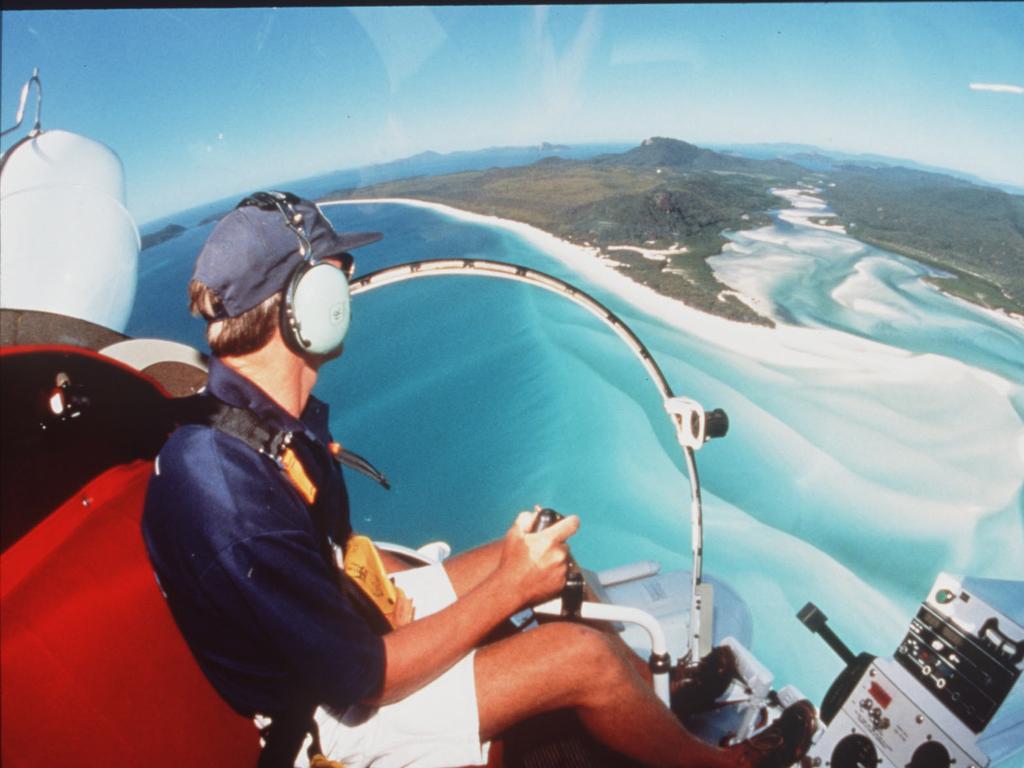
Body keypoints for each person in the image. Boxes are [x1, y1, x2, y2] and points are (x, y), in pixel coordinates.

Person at [142, 191, 816, 768]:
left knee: (545, 546)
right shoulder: (229, 492)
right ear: (303, 303)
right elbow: (366, 679)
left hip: (341, 637)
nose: (349, 287)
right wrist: (507, 591)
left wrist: (438, 583)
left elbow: (317, 562)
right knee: (579, 655)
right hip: (325, 721)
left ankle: (646, 702)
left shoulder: (258, 423)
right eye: (337, 274)